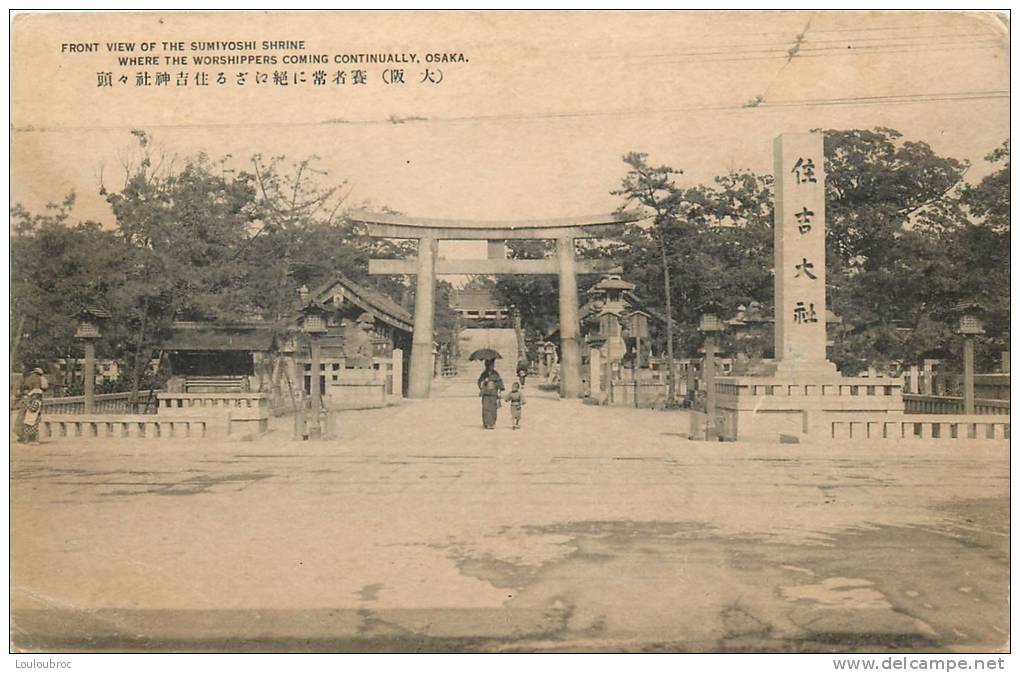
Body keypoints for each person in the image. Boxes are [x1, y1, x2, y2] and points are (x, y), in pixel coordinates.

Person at [477, 359, 504, 430]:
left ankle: (492, 423)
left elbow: (499, 382)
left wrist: (499, 390)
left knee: (493, 409)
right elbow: (479, 382)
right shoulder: (484, 374)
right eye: (490, 365)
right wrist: (484, 381)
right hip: (486, 393)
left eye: (492, 365)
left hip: (493, 393)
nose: (491, 366)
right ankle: (486, 423)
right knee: (486, 408)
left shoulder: (496, 373)